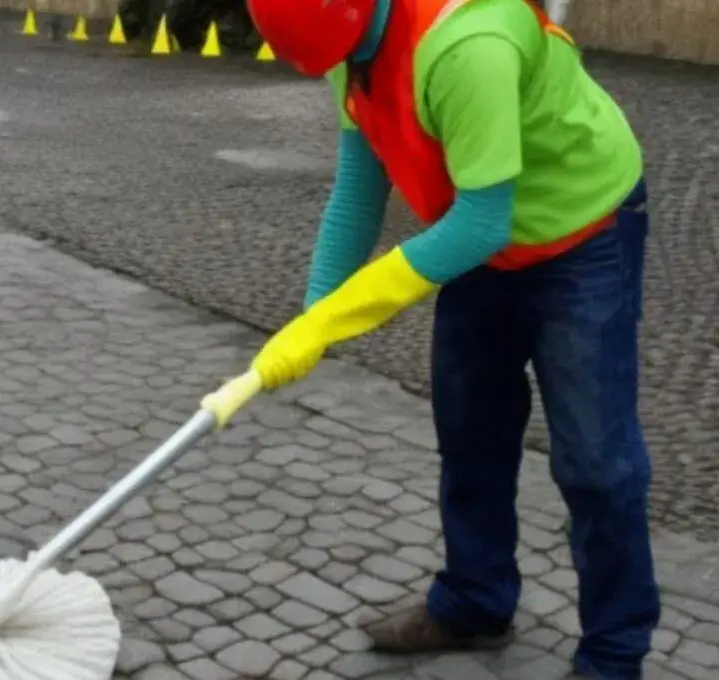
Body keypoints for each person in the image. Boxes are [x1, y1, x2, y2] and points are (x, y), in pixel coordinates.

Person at [243, 0, 660, 678]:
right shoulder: (349, 49)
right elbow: (359, 186)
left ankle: (614, 653)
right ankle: (474, 602)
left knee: (595, 458)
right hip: (479, 241)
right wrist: (312, 319)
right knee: (470, 431)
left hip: (581, 233)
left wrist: (348, 312)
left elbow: (482, 224)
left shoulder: (467, 43)